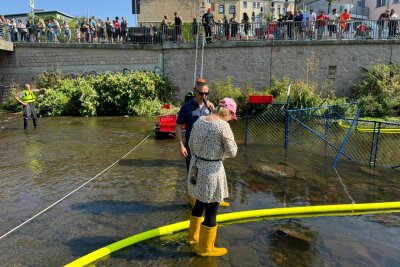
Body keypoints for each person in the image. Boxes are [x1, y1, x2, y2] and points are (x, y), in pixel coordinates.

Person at [187, 97, 238, 257]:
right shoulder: (223, 126)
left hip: (196, 166)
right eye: (232, 115)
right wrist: (219, 155)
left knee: (199, 203)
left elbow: (190, 144)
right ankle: (205, 249)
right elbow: (232, 152)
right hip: (211, 171)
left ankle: (192, 238)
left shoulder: (200, 120)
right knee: (211, 210)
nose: (231, 119)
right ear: (229, 112)